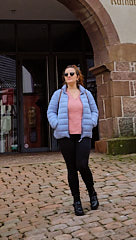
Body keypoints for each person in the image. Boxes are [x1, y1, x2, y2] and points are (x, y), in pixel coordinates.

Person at [47, 65, 99, 216]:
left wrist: (92, 122)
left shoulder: (86, 94)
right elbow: (50, 111)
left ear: (77, 76)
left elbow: (95, 111)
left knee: (82, 165)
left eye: (71, 73)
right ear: (64, 78)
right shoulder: (59, 94)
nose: (68, 76)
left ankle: (92, 193)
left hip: (83, 134)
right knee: (71, 168)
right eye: (66, 74)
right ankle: (77, 201)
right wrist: (56, 124)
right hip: (66, 136)